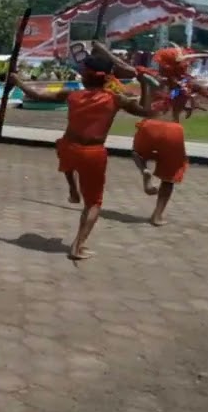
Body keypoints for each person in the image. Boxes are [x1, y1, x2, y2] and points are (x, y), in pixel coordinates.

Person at [9, 54, 157, 260]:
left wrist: (17, 81)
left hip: (69, 149)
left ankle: (72, 186)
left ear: (86, 76)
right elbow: (147, 111)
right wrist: (144, 84)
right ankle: (77, 246)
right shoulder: (115, 99)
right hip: (92, 153)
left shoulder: (72, 95)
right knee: (94, 203)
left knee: (61, 145)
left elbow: (36, 94)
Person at [91, 44, 208, 226]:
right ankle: (157, 216)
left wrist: (102, 49)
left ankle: (144, 170)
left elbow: (123, 65)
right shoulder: (188, 85)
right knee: (169, 177)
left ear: (162, 63)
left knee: (137, 153)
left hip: (150, 125)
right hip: (173, 131)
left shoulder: (151, 77)